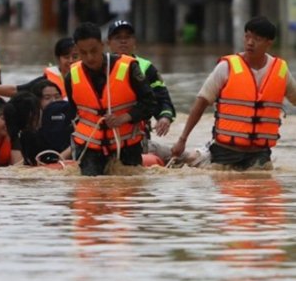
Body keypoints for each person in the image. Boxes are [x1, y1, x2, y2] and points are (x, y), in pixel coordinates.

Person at [169, 16, 296, 170]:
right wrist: (182, 139)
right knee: (223, 180)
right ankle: (190, 156)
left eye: (257, 39)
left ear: (269, 43)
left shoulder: (280, 70)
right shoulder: (226, 67)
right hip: (225, 151)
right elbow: (201, 102)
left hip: (260, 153)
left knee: (265, 183)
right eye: (247, 36)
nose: (250, 42)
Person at [65, 22, 156, 176]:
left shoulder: (128, 67)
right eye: (83, 53)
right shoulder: (71, 76)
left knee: (131, 187)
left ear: (102, 45)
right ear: (77, 50)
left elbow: (150, 103)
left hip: (127, 145)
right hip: (89, 148)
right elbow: (74, 112)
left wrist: (125, 117)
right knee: (88, 188)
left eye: (94, 51)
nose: (89, 57)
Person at [106, 19, 176, 161]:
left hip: (137, 138)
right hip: (105, 138)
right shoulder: (100, 67)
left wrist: (164, 117)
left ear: (134, 42)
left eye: (127, 37)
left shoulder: (146, 68)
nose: (123, 41)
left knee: (180, 156)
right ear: (109, 43)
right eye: (118, 38)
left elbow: (162, 99)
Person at [0, 37, 78, 98]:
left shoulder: (87, 75)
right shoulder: (46, 81)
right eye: (66, 57)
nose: (71, 61)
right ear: (58, 59)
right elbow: (16, 90)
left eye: (75, 57)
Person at [7, 79, 74, 165]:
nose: (54, 101)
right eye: (47, 98)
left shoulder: (70, 120)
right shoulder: (25, 134)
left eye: (57, 96)